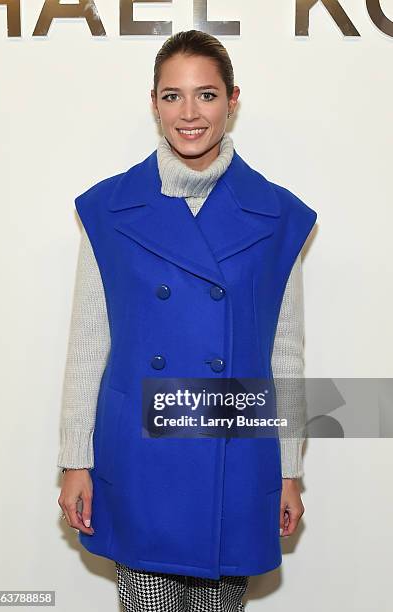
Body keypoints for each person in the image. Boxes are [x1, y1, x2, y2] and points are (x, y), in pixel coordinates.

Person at [57, 30, 317, 611]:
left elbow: (286, 352)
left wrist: (289, 468)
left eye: (206, 95)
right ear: (153, 103)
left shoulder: (277, 215)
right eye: (172, 96)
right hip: (140, 451)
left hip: (235, 450)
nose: (189, 113)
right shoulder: (110, 208)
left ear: (232, 100)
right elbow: (88, 342)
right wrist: (76, 459)